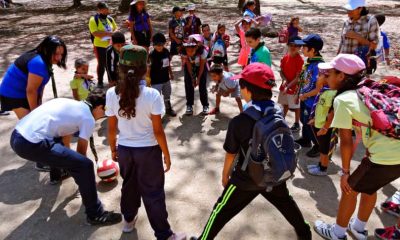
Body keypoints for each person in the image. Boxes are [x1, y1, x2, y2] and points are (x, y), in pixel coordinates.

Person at [190, 63, 312, 240]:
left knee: (220, 210)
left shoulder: (239, 121)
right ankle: (304, 233)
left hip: (246, 180)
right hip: (274, 174)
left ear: (246, 90)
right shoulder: (277, 112)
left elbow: (231, 153)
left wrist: (225, 176)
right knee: (288, 204)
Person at [313, 54, 400, 240]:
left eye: (329, 73)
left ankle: (337, 233)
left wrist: (345, 172)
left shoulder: (343, 100)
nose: (326, 77)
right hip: (394, 156)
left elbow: (346, 140)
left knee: (349, 190)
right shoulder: (368, 87)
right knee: (370, 187)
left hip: (385, 157)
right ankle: (358, 228)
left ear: (342, 76)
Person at [106, 45, 186, 240]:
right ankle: (164, 234)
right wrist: (166, 154)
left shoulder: (111, 93)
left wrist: (113, 149)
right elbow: (158, 131)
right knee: (153, 192)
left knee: (129, 186)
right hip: (148, 151)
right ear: (145, 68)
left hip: (125, 149)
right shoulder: (152, 95)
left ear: (120, 68)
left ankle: (128, 221)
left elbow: (111, 128)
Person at [10, 89, 122, 225]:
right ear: (98, 107)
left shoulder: (69, 104)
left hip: (17, 135)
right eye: (104, 111)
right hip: (31, 143)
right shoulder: (87, 118)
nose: (103, 114)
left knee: (57, 143)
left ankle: (57, 174)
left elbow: (63, 135)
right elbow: (81, 153)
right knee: (85, 165)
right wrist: (84, 178)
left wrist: (69, 162)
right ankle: (95, 214)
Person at [0, 35, 67, 172]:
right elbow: (31, 91)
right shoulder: (39, 63)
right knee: (33, 129)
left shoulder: (43, 59)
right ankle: (40, 162)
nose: (59, 58)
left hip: (23, 92)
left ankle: (41, 157)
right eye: (56, 54)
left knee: (37, 125)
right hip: (13, 95)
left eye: (61, 54)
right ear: (47, 50)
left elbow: (39, 88)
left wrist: (39, 106)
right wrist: (35, 114)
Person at [294, 34, 325, 158]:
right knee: (303, 120)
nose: (301, 49)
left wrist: (305, 95)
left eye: (304, 47)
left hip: (312, 101)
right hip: (304, 98)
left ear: (313, 50)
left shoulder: (319, 66)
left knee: (311, 123)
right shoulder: (309, 62)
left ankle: (318, 146)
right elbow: (303, 77)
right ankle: (306, 139)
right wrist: (298, 92)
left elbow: (319, 89)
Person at [306, 74, 336, 176]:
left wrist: (325, 127)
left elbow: (330, 113)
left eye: (321, 76)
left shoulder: (331, 93)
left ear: (327, 79)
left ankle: (323, 168)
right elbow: (320, 108)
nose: (318, 77)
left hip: (324, 126)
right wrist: (314, 118)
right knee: (321, 146)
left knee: (324, 148)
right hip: (318, 123)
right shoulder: (324, 91)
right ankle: (320, 164)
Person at [338, 0, 380, 74]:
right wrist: (336, 60)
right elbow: (341, 43)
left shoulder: (370, 21)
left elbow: (373, 46)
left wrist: (357, 36)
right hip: (344, 65)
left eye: (351, 9)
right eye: (348, 9)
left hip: (359, 66)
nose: (348, 11)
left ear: (360, 9)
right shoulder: (346, 22)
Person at [89, 1, 118, 88]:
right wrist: (109, 34)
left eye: (106, 9)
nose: (105, 11)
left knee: (111, 63)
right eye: (103, 9)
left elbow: (116, 28)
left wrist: (113, 33)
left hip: (111, 44)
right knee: (101, 63)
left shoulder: (110, 18)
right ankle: (100, 81)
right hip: (99, 46)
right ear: (99, 10)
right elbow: (95, 33)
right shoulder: (93, 20)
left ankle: (111, 80)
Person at [277, 36, 304, 132]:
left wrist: (288, 86)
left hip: (295, 87)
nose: (293, 47)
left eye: (296, 46)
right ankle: (281, 120)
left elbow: (298, 78)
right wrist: (284, 80)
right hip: (285, 85)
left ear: (300, 48)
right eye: (291, 45)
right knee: (285, 104)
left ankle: (297, 123)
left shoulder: (300, 60)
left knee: (296, 106)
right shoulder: (285, 57)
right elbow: (281, 71)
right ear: (287, 45)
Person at [149, 33, 176, 117]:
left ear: (164, 44)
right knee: (156, 98)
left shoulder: (166, 51)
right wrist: (148, 80)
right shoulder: (151, 55)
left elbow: (168, 64)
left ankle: (168, 109)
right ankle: (157, 114)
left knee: (167, 95)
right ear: (153, 45)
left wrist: (171, 74)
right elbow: (148, 68)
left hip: (165, 78)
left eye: (161, 45)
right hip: (155, 81)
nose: (159, 47)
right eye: (157, 45)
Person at [182, 40, 209, 116]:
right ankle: (189, 105)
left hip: (201, 67)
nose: (190, 53)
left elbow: (202, 66)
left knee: (202, 85)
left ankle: (205, 105)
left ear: (196, 48)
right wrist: (193, 78)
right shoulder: (183, 52)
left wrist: (198, 78)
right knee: (188, 84)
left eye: (192, 51)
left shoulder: (203, 51)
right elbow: (188, 66)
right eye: (188, 51)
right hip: (190, 66)